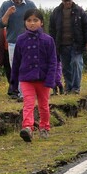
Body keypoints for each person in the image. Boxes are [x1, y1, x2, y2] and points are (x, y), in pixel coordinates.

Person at [10, 9, 57, 142]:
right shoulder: (20, 39)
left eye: (35, 20)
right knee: (28, 104)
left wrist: (51, 80)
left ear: (41, 22)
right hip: (26, 78)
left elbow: (53, 62)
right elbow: (16, 61)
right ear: (25, 23)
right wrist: (13, 81)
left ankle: (44, 127)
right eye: (29, 20)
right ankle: (28, 128)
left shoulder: (48, 40)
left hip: (43, 79)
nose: (32, 23)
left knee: (43, 105)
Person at [48, 0, 87, 94]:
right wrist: (52, 43)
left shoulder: (80, 11)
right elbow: (52, 29)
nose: (67, 2)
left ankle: (76, 88)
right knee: (66, 67)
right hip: (62, 44)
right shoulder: (56, 12)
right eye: (65, 0)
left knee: (76, 63)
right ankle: (68, 87)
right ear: (62, 0)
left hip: (77, 44)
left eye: (69, 0)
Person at [0, 0, 37, 100]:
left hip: (29, 41)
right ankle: (22, 93)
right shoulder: (5, 5)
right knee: (17, 68)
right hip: (13, 43)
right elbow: (0, 24)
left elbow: (38, 20)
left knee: (29, 67)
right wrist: (8, 14)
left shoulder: (30, 4)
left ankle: (26, 94)